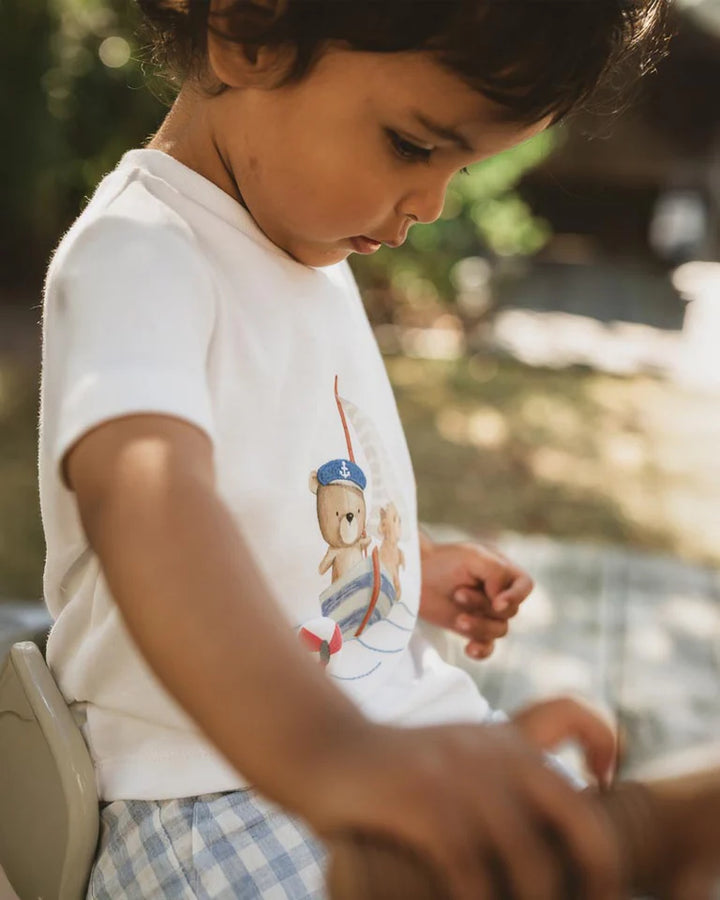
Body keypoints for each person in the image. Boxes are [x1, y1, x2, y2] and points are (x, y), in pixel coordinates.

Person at [38, 2, 670, 898]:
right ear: (248, 32)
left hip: (391, 739)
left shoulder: (305, 254)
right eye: (415, 147)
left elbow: (284, 497)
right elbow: (146, 504)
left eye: (462, 167)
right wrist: (335, 756)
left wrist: (408, 567)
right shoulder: (139, 253)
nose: (431, 204)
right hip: (214, 795)